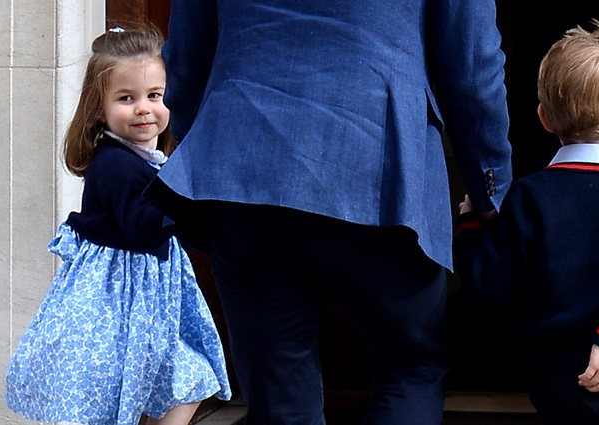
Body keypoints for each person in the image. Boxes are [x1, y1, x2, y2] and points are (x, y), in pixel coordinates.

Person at [143, 1, 512, 424]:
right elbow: (472, 66)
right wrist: (488, 188)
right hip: (378, 162)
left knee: (281, 393)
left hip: (245, 160)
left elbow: (186, 56)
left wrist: (205, 160)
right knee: (410, 368)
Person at [453, 19, 599, 425]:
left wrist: (471, 227)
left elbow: (491, 285)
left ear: (544, 117)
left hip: (553, 379)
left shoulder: (527, 198)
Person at [5, 24, 231, 425]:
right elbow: (142, 229)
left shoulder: (145, 157)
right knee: (119, 392)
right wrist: (185, 188)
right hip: (118, 301)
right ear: (100, 107)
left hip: (147, 302)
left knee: (188, 376)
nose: (144, 108)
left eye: (155, 96)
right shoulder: (113, 164)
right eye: (127, 98)